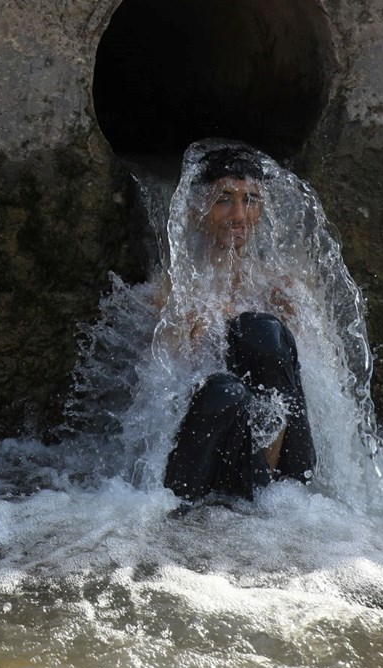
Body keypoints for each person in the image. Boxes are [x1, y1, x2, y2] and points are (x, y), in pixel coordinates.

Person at [159, 145, 316, 502]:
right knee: (222, 391)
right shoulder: (170, 292)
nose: (239, 214)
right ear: (197, 208)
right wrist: (188, 334)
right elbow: (158, 392)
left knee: (261, 331)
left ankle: (274, 495)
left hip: (285, 467)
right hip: (210, 452)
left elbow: (311, 385)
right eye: (224, 200)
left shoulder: (281, 286)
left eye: (251, 200)